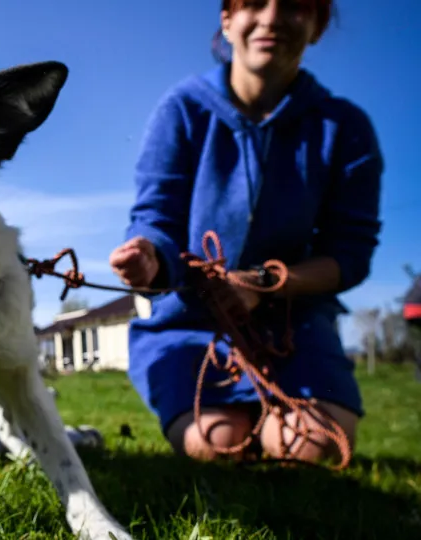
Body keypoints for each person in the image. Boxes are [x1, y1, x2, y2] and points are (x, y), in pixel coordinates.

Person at [109, 0, 382, 464]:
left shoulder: (344, 128)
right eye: (254, 3)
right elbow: (155, 216)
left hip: (296, 325)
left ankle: (282, 418)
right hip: (189, 323)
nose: (272, 19)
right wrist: (151, 256)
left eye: (295, 7)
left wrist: (266, 284)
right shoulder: (183, 110)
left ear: (316, 26)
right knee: (215, 445)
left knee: (305, 448)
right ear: (227, 19)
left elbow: (349, 254)